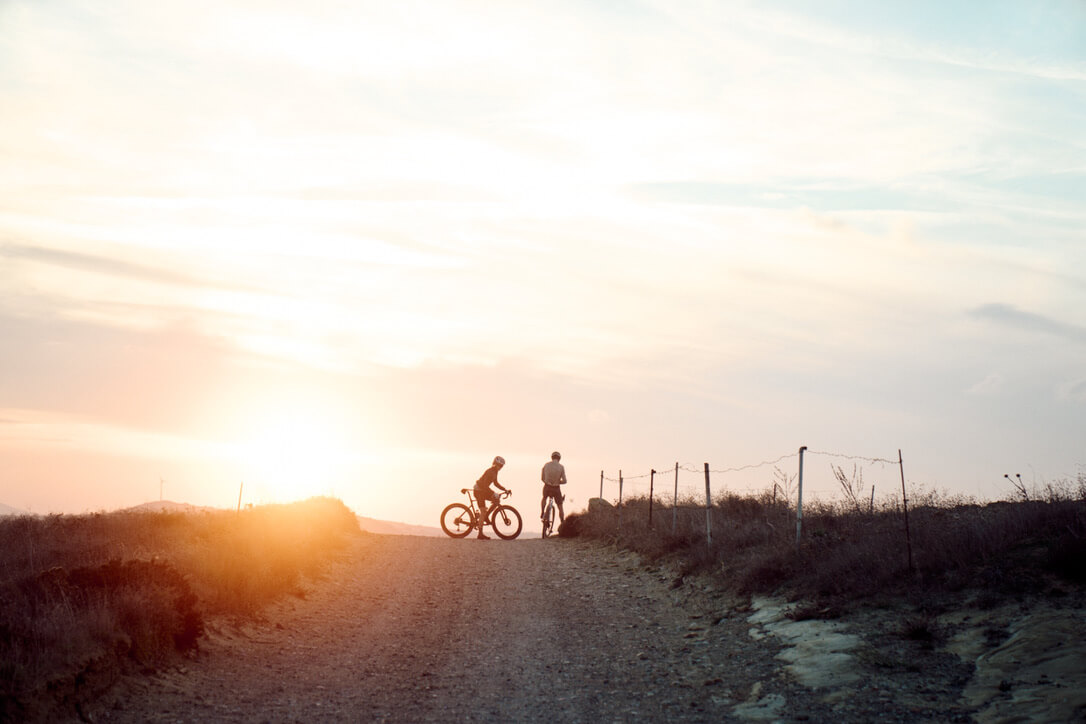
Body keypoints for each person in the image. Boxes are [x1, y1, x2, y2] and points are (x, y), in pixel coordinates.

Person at [474, 455, 509, 540]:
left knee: (496, 500)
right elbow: (485, 486)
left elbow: (495, 483)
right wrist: (493, 493)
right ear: (495, 464)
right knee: (483, 510)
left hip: (483, 491)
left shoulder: (495, 471)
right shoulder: (490, 471)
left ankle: (486, 517)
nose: (500, 467)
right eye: (499, 465)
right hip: (479, 491)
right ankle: (480, 534)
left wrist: (505, 489)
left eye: (501, 466)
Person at [541, 451, 566, 527]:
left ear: (552, 457)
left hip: (547, 486)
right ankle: (562, 523)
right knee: (560, 506)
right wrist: (558, 482)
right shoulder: (561, 467)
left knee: (544, 498)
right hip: (556, 488)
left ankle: (542, 512)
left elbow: (542, 478)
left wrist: (547, 481)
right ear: (559, 458)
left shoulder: (546, 465)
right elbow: (565, 481)